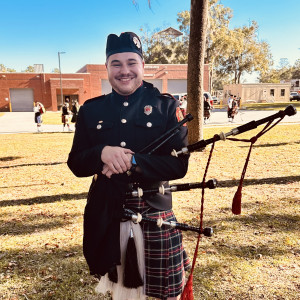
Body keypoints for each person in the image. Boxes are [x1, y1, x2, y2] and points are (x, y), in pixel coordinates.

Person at [67, 32, 190, 300]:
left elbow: (178, 166)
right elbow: (76, 163)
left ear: (143, 66)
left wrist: (132, 162)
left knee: (165, 294)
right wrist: (102, 153)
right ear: (107, 67)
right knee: (123, 293)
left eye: (131, 62)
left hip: (154, 212)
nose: (125, 71)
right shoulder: (91, 110)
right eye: (116, 63)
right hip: (109, 213)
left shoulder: (166, 107)